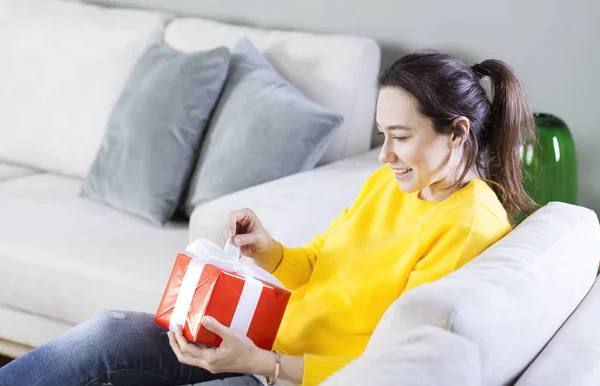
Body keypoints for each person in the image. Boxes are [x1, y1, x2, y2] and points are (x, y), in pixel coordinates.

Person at [0, 49, 536, 386]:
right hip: (262, 348)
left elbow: (390, 364)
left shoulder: (467, 226)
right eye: (382, 136)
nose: (384, 156)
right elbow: (318, 264)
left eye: (400, 138)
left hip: (295, 375)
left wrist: (259, 366)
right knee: (108, 332)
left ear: (458, 132)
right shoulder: (391, 184)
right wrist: (268, 248)